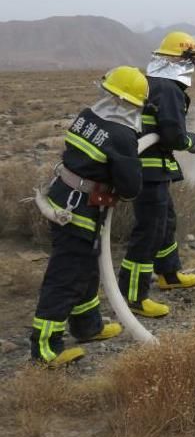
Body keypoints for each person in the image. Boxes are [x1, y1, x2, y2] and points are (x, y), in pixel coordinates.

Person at [30, 66, 148, 366]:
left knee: (86, 268)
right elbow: (131, 187)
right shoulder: (122, 135)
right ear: (134, 104)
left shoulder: (87, 116)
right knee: (66, 276)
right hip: (79, 211)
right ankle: (45, 349)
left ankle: (87, 325)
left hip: (62, 198)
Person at [119, 31, 195, 317]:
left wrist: (193, 137)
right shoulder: (169, 88)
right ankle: (134, 295)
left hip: (152, 167)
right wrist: (192, 143)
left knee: (165, 221)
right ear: (182, 60)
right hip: (147, 171)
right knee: (149, 230)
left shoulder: (154, 83)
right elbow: (173, 136)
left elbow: (163, 130)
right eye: (194, 60)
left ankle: (169, 273)